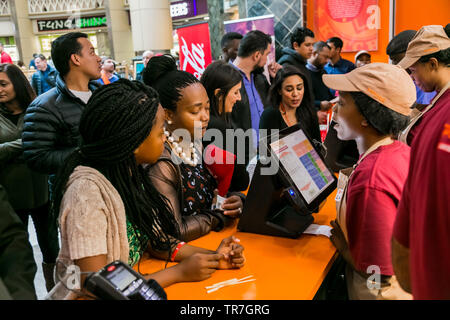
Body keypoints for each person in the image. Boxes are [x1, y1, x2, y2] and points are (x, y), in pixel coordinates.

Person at [49, 79, 244, 299]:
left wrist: (214, 257)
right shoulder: (86, 194)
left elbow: (158, 241)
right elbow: (95, 286)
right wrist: (178, 273)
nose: (165, 138)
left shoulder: (131, 174)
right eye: (161, 132)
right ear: (135, 142)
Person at [323, 63, 415, 300]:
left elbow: (378, 273)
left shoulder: (372, 178)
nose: (334, 111)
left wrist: (348, 253)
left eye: (342, 104)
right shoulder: (399, 151)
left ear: (366, 118)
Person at [143, 55, 245, 242]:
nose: (205, 117)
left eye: (207, 108)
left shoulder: (194, 143)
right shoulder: (161, 163)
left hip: (211, 242)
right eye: (195, 111)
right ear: (168, 114)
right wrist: (218, 217)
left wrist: (236, 200)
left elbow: (215, 194)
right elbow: (176, 230)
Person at [392, 25, 450, 300]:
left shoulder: (438, 123)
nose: (411, 77)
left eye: (413, 70)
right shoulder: (437, 111)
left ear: (434, 63)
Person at [0, 63, 58, 292]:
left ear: (18, 84)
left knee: (51, 249)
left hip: (43, 190)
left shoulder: (37, 109)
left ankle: (56, 293)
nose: (0, 89)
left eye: (4, 84)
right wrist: (27, 143)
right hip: (10, 196)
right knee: (17, 253)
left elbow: (49, 142)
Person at [22, 32, 101, 177]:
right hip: (76, 190)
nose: (99, 59)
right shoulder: (43, 107)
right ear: (76, 59)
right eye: (92, 52)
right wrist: (88, 153)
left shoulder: (103, 95)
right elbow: (37, 158)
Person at [200, 60, 249, 194]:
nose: (239, 98)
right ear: (219, 94)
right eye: (236, 92)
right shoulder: (217, 127)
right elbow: (240, 181)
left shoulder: (208, 122)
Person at [231, 30, 278, 161]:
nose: (267, 59)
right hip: (242, 155)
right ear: (257, 55)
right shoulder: (227, 79)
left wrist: (275, 79)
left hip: (266, 150)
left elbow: (273, 104)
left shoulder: (259, 78)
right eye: (267, 54)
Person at [259, 65, 321, 145]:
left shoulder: (309, 112)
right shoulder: (270, 115)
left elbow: (318, 146)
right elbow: (265, 151)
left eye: (299, 88)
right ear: (279, 90)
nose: (295, 94)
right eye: (289, 89)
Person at [0, 184, 37, 300]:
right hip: (17, 192)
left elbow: (12, 240)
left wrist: (21, 295)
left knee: (49, 244)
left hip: (36, 194)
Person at [386, 29, 436, 108]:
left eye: (395, 60)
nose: (395, 65)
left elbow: (432, 108)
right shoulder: (408, 79)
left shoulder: (427, 79)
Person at [278, 27, 315, 105]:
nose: (312, 48)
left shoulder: (301, 61)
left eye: (313, 45)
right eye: (307, 45)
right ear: (295, 45)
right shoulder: (287, 64)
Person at [306, 41, 334, 123]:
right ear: (314, 53)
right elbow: (301, 101)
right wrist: (319, 104)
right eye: (325, 57)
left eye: (329, 58)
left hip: (325, 118)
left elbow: (326, 94)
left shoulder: (323, 71)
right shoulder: (302, 73)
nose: (327, 61)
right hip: (311, 118)